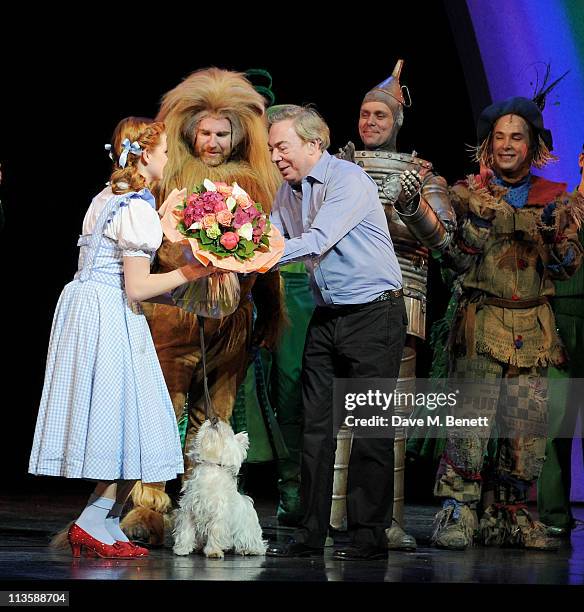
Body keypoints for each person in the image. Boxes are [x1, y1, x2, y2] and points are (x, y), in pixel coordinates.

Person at [28, 117, 215, 558]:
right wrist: (194, 270)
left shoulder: (110, 198)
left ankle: (103, 518)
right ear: (146, 154)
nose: (169, 160)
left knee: (135, 419)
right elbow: (135, 286)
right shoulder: (133, 208)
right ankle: (96, 519)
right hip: (109, 313)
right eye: (166, 152)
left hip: (92, 307)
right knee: (130, 418)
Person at [121, 68, 284, 545]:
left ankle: (209, 514)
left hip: (230, 324)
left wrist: (269, 312)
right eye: (205, 132)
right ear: (190, 130)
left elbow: (267, 256)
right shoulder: (165, 176)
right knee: (162, 413)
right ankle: (148, 506)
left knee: (215, 419)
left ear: (236, 136)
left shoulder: (255, 183)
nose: (211, 142)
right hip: (171, 320)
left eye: (221, 134)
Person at [432, 92, 584, 551]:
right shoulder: (465, 195)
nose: (506, 145)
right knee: (470, 424)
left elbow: (567, 267)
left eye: (516, 137)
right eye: (498, 138)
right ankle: (458, 510)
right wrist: (476, 221)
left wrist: (562, 233)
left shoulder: (555, 199)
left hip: (533, 332)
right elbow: (451, 263)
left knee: (524, 430)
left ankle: (510, 512)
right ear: (486, 146)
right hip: (481, 326)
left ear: (533, 144)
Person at [265, 105, 407, 560]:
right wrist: (225, 246)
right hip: (328, 317)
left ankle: (369, 536)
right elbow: (268, 236)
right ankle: (310, 533)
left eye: (281, 146)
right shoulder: (287, 192)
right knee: (314, 428)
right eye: (271, 149)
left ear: (313, 144)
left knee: (370, 429)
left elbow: (315, 240)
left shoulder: (347, 179)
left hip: (374, 315)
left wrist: (254, 257)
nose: (275, 156)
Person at [537, 145, 584, 535]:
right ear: (582, 159)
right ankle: (553, 516)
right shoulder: (561, 208)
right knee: (557, 421)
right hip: (563, 317)